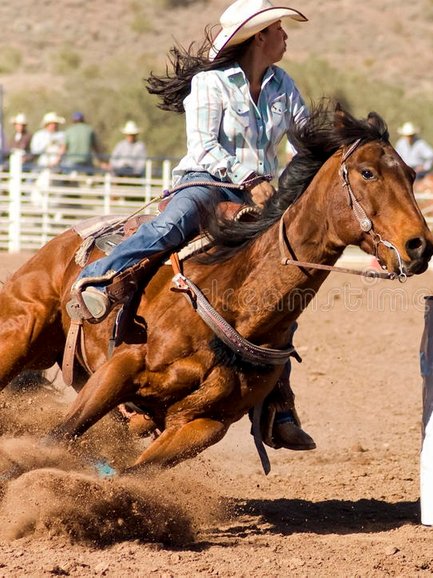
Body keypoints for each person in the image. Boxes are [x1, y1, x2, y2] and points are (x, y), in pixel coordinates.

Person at [70, 0, 314, 451]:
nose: (285, 36)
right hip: (209, 182)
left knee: (282, 285)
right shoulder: (210, 84)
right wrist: (253, 178)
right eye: (278, 29)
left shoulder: (284, 85)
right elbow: (203, 147)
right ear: (259, 37)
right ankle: (101, 279)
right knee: (174, 222)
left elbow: (304, 141)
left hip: (262, 198)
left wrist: (306, 173)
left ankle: (278, 402)